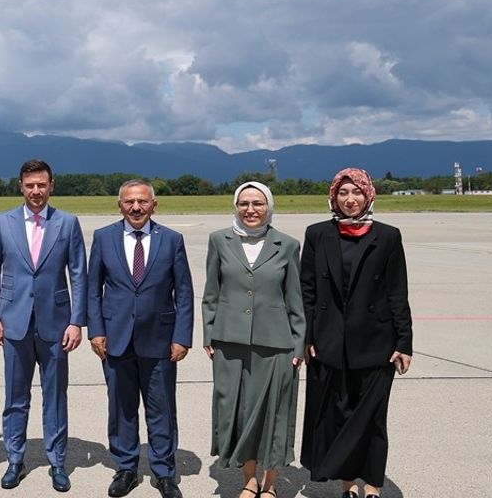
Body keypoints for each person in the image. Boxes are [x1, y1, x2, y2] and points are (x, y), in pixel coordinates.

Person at [300, 168, 413, 498]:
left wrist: (404, 341)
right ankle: (349, 485)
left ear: (369, 195)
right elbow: (307, 290)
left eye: (357, 193)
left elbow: (397, 292)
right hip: (329, 343)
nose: (350, 199)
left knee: (373, 419)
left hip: (377, 343)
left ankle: (373, 487)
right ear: (333, 197)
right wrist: (307, 337)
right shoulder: (317, 234)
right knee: (339, 415)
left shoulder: (388, 236)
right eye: (343, 193)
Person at [87, 179, 193, 498]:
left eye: (143, 202)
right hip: (115, 338)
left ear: (153, 205)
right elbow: (93, 289)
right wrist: (96, 330)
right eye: (130, 202)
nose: (136, 207)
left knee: (161, 409)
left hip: (160, 340)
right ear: (119, 205)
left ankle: (163, 472)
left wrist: (182, 337)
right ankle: (126, 468)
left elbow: (184, 293)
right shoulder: (103, 238)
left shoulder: (172, 240)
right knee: (122, 408)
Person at [0, 159, 86, 493]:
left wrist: (76, 321)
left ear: (52, 185)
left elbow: (79, 276)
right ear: (21, 186)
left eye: (42, 185)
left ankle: (57, 462)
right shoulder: (3, 223)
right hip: (13, 323)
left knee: (55, 396)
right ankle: (15, 459)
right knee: (16, 396)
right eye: (30, 185)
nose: (36, 191)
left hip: (56, 325)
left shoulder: (68, 223)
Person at [201, 181, 304, 498]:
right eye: (244, 203)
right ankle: (249, 479)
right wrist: (209, 332)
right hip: (229, 342)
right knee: (238, 411)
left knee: (274, 412)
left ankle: (271, 483)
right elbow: (211, 293)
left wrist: (298, 344)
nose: (250, 209)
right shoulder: (219, 240)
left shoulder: (286, 245)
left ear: (269, 206)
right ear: (235, 206)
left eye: (257, 203)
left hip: (276, 344)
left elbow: (295, 300)